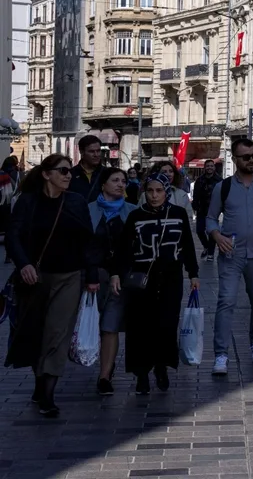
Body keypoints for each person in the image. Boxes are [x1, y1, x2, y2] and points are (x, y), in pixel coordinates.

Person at [3, 154, 98, 417]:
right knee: (36, 331)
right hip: (34, 278)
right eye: (63, 171)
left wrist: (91, 275)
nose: (68, 175)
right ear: (47, 174)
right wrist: (24, 264)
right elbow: (13, 236)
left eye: (69, 171)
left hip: (69, 276)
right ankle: (39, 380)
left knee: (57, 332)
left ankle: (48, 393)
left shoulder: (76, 202)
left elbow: (88, 240)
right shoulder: (28, 202)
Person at [112, 173, 200, 395]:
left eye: (159, 191)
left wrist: (193, 274)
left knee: (166, 324)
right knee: (141, 327)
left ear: (166, 192)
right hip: (142, 280)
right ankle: (141, 374)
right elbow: (124, 249)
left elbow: (187, 245)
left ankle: (162, 366)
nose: (154, 195)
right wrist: (116, 273)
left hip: (171, 278)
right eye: (150, 191)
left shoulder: (178, 214)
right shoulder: (135, 216)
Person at [206, 138, 253, 375]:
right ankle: (221, 355)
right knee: (226, 301)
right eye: (246, 157)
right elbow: (210, 219)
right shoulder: (223, 187)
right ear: (235, 159)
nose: (251, 160)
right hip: (231, 254)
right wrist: (217, 236)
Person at [88, 167, 137, 396]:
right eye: (115, 180)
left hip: (121, 278)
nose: (120, 184)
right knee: (90, 323)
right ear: (103, 184)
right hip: (91, 277)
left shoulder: (132, 212)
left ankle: (105, 376)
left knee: (110, 326)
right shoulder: (88, 210)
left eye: (123, 181)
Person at [191, 160, 220, 262]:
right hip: (201, 209)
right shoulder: (200, 180)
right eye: (208, 166)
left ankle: (211, 253)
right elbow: (195, 195)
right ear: (204, 167)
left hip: (213, 210)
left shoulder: (219, 180)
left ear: (214, 167)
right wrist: (195, 206)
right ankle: (206, 247)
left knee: (212, 232)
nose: (209, 168)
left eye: (211, 166)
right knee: (199, 230)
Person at [69, 135, 105, 200]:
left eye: (98, 151)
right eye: (91, 151)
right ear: (82, 152)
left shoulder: (108, 173)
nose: (96, 155)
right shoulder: (70, 174)